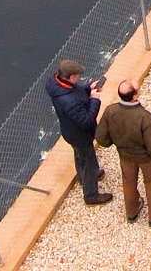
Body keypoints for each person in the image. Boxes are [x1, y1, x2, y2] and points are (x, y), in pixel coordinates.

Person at [95, 79, 151, 226]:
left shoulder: (111, 111)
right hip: (147, 159)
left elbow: (101, 137)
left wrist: (114, 144)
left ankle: (132, 211)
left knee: (128, 183)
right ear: (135, 96)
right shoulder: (144, 117)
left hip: (125, 156)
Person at [46, 60, 112, 206]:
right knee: (89, 162)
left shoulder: (59, 85)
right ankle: (91, 195)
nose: (79, 78)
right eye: (77, 76)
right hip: (80, 135)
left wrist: (88, 88)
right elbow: (87, 120)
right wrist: (95, 100)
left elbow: (75, 91)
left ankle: (83, 178)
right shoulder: (69, 101)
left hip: (70, 132)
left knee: (79, 155)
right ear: (70, 77)